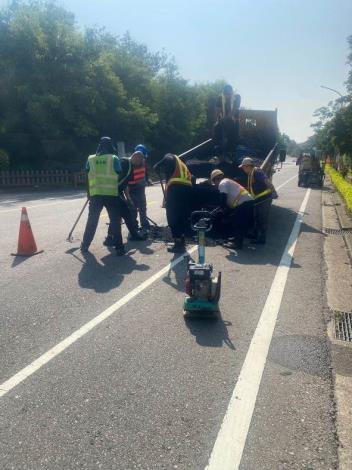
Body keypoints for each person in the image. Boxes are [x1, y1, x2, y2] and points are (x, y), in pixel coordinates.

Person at [81, 137, 125, 255]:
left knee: (92, 220)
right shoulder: (113, 158)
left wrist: (88, 194)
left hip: (95, 195)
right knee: (115, 221)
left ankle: (85, 245)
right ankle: (119, 248)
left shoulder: (90, 159)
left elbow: (87, 176)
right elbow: (119, 174)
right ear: (111, 145)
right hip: (111, 195)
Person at [153, 153, 193, 253]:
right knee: (181, 215)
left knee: (172, 215)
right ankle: (182, 239)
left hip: (176, 189)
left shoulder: (168, 157)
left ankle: (178, 243)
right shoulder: (180, 164)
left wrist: (157, 168)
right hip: (187, 189)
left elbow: (159, 169)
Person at [104, 155, 147, 246]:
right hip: (112, 192)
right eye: (139, 160)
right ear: (135, 157)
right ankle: (110, 238)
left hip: (119, 192)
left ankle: (134, 235)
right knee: (116, 217)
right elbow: (114, 175)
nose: (140, 163)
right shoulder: (124, 162)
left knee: (127, 214)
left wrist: (128, 198)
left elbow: (125, 184)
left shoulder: (131, 167)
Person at [210, 169, 254, 249]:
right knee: (237, 221)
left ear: (215, 179)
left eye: (214, 183)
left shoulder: (222, 184)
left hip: (244, 203)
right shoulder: (227, 181)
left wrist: (217, 213)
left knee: (239, 223)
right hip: (246, 202)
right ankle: (237, 238)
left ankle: (238, 244)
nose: (215, 185)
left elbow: (223, 201)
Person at [239, 157, 277, 244]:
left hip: (265, 199)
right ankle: (255, 234)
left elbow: (267, 181)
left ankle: (261, 239)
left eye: (243, 167)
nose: (242, 169)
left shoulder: (257, 172)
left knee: (262, 219)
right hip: (258, 200)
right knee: (256, 218)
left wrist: (274, 191)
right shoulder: (251, 173)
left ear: (248, 166)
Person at [213, 84, 241, 159]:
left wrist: (226, 118)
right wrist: (217, 120)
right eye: (225, 94)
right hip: (223, 119)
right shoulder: (220, 98)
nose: (227, 96)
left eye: (228, 94)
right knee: (216, 127)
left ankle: (231, 152)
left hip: (234, 119)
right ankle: (217, 149)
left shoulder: (237, 97)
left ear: (231, 93)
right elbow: (217, 110)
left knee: (232, 130)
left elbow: (234, 110)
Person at [127, 150, 150, 233]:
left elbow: (146, 173)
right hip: (131, 189)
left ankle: (145, 225)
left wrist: (147, 180)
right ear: (133, 158)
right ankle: (134, 227)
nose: (138, 162)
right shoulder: (128, 163)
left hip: (140, 188)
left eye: (139, 160)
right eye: (136, 160)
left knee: (142, 208)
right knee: (133, 209)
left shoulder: (143, 162)